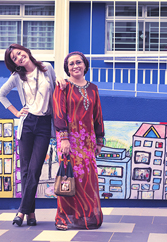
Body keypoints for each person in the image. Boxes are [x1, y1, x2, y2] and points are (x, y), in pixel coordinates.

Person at [0, 44, 65, 227]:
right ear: (14, 63)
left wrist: (59, 77)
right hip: (26, 123)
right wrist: (15, 112)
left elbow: (56, 85)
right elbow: (1, 95)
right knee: (26, 171)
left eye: (19, 53)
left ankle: (21, 211)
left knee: (35, 169)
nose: (19, 57)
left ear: (26, 51)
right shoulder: (17, 77)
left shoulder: (46, 68)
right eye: (14, 58)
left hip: (44, 124)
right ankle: (31, 213)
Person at [53, 51, 105, 230]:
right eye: (71, 64)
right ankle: (65, 219)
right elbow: (59, 113)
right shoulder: (62, 86)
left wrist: (99, 139)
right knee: (69, 179)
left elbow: (97, 114)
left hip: (88, 142)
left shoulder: (93, 88)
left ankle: (89, 218)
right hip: (69, 140)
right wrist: (64, 138)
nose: (75, 66)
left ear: (85, 65)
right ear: (67, 68)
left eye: (78, 62)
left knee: (88, 179)